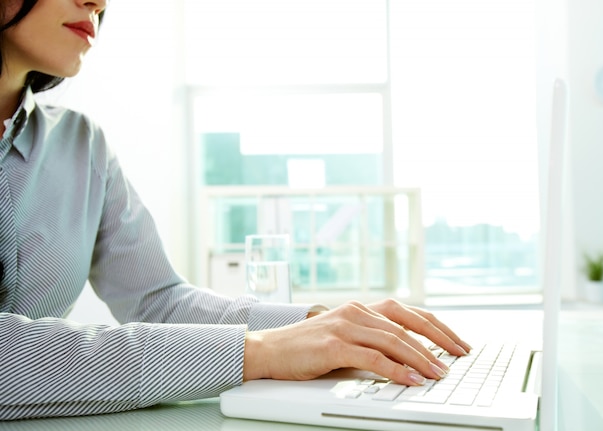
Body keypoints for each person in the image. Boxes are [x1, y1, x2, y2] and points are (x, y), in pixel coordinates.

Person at [0, 0, 472, 421]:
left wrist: (321, 325)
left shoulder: (82, 144)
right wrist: (257, 352)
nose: (98, 2)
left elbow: (159, 301)